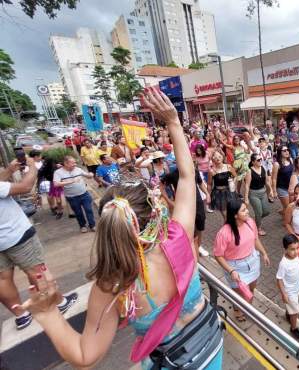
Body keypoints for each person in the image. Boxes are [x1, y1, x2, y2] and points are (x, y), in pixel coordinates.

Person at [14, 88, 224, 369]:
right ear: (157, 214)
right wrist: (172, 122)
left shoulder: (113, 283)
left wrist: (48, 312)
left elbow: (85, 355)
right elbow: (187, 176)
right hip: (211, 348)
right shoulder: (179, 237)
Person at [0, 157, 77, 330]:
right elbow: (25, 187)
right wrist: (33, 167)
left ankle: (21, 316)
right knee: (37, 270)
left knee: (3, 278)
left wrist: (9, 171)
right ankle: (58, 302)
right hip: (15, 233)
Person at [213, 198, 271, 322]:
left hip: (253, 261)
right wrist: (231, 270)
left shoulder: (250, 222)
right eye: (243, 210)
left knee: (251, 289)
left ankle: (247, 307)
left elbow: (255, 239)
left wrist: (264, 253)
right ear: (235, 215)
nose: (247, 212)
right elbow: (218, 255)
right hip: (236, 267)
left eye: (246, 209)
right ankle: (237, 309)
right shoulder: (224, 233)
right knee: (239, 295)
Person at [53, 156, 96, 233]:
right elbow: (56, 184)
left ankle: (92, 225)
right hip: (72, 197)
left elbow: (88, 176)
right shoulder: (58, 172)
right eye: (73, 163)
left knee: (89, 210)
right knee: (78, 213)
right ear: (66, 163)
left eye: (75, 162)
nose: (75, 164)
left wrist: (90, 174)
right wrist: (71, 181)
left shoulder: (78, 169)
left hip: (84, 194)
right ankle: (82, 226)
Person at [277, 234, 299, 341]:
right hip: (289, 292)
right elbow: (279, 279)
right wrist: (284, 294)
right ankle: (293, 328)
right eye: (292, 249)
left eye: (297, 248)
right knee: (296, 312)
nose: (296, 251)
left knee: (292, 310)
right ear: (285, 249)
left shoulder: (295, 255)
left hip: (297, 287)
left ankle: (289, 313)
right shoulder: (284, 264)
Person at [244, 153, 273, 236]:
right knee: (259, 212)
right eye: (258, 160)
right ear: (253, 162)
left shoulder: (263, 168)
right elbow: (247, 185)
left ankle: (256, 220)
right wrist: (246, 198)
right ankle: (258, 228)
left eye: (261, 159)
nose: (260, 161)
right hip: (254, 194)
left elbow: (267, 181)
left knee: (266, 211)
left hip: (263, 192)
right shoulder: (250, 171)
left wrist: (270, 190)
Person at [208, 150, 237, 221]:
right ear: (212, 159)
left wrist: (233, 183)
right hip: (218, 195)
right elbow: (209, 184)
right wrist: (208, 196)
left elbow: (235, 176)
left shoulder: (228, 167)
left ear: (222, 157)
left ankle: (231, 230)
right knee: (226, 217)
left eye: (219, 156)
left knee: (233, 215)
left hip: (229, 192)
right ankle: (229, 231)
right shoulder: (211, 171)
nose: (217, 158)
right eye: (215, 157)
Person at [272, 146, 294, 214]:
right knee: (288, 208)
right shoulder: (277, 164)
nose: (287, 152)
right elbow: (274, 178)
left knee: (290, 206)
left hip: (290, 187)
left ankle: (282, 211)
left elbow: (293, 173)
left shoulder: (290, 160)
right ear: (280, 152)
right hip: (282, 188)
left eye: (287, 150)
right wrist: (274, 191)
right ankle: (286, 223)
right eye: (284, 150)